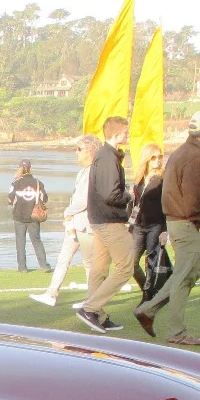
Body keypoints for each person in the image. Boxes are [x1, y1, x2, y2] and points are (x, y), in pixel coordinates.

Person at [132, 110, 200, 347]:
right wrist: (199, 220)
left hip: (178, 221)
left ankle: (149, 311)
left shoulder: (183, 152)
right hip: (188, 222)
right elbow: (195, 193)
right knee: (185, 275)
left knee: (189, 273)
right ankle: (175, 329)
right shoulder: (195, 156)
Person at [76, 116, 135, 333]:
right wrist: (128, 195)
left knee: (99, 267)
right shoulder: (108, 157)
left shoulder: (105, 156)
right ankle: (90, 308)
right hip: (109, 220)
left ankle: (97, 314)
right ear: (117, 133)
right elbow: (110, 193)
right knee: (125, 267)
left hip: (100, 219)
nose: (128, 135)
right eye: (126, 132)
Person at [30, 137, 98, 306]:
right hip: (74, 222)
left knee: (89, 263)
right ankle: (51, 293)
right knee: (63, 258)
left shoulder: (94, 171)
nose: (76, 152)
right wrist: (69, 216)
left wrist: (68, 212)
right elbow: (77, 197)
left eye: (79, 149)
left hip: (86, 224)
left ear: (90, 151)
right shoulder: (82, 171)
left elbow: (85, 200)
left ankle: (92, 301)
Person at [130, 144, 169, 302]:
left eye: (160, 157)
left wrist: (165, 230)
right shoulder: (139, 178)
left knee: (151, 261)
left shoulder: (164, 178)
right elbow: (136, 204)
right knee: (131, 263)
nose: (157, 160)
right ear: (146, 159)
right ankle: (148, 289)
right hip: (138, 225)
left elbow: (168, 205)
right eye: (153, 157)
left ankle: (147, 295)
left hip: (156, 225)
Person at [7, 159, 49, 272]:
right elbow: (44, 198)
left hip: (19, 216)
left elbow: (10, 200)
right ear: (31, 169)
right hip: (34, 217)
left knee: (20, 242)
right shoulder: (38, 183)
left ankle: (22, 267)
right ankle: (44, 266)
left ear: (19, 168)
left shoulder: (15, 183)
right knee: (36, 241)